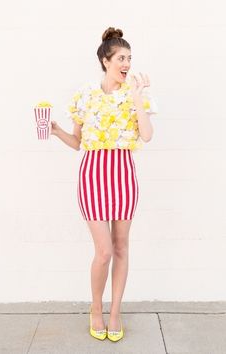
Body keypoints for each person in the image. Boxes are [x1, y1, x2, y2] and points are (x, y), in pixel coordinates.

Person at [50, 26, 158, 342]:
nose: (127, 64)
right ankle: (96, 308)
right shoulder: (85, 96)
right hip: (92, 177)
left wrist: (137, 98)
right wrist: (57, 132)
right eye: (122, 58)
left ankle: (114, 312)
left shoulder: (136, 94)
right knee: (104, 251)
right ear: (106, 60)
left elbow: (147, 135)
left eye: (130, 58)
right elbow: (78, 142)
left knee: (122, 247)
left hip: (123, 176)